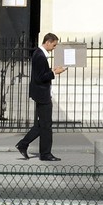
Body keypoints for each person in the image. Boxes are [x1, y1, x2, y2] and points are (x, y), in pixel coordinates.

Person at [16, 33, 63, 161]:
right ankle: (45, 153)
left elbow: (41, 73)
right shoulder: (40, 56)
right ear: (48, 42)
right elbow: (41, 77)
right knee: (46, 126)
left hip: (41, 94)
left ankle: (23, 144)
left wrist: (51, 71)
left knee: (41, 124)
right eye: (54, 45)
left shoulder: (39, 54)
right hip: (42, 95)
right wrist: (54, 73)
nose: (54, 48)